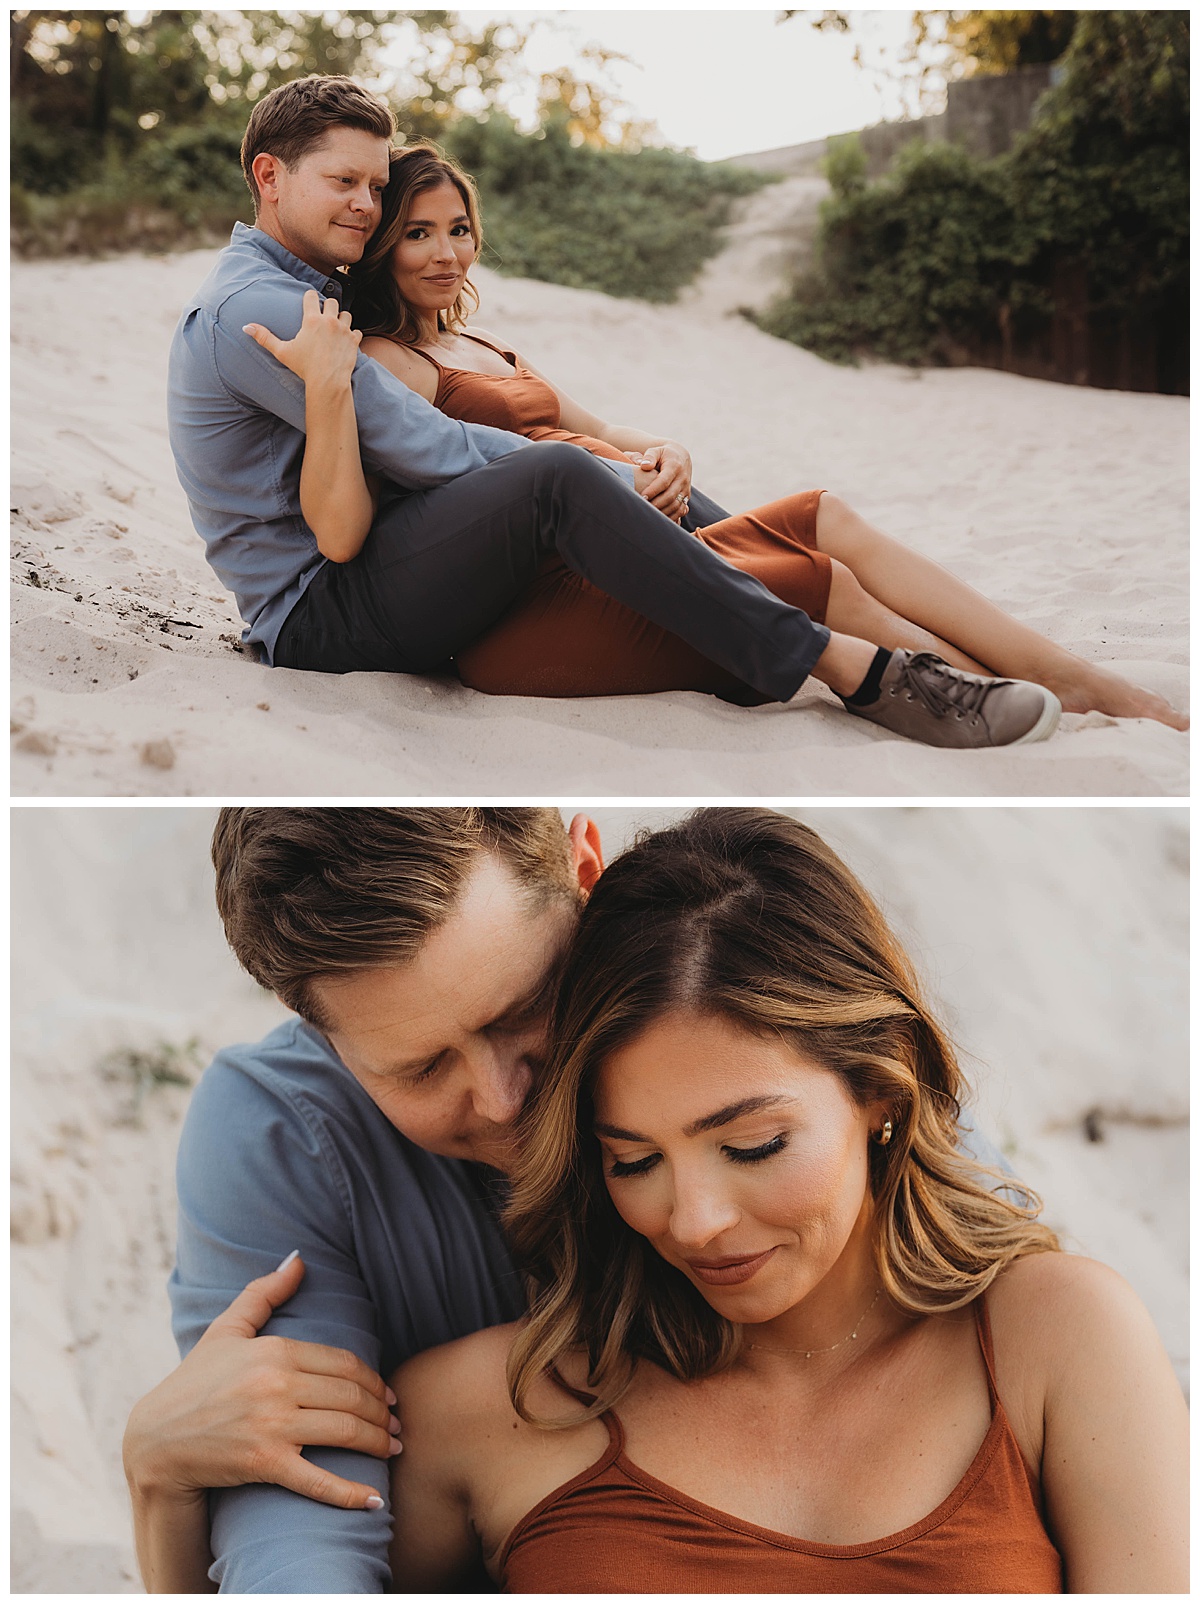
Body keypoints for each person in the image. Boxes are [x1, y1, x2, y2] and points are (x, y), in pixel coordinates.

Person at [126, 811, 1187, 1593]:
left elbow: (953, 1217)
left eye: (523, 1010)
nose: (504, 1099)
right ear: (318, 1027)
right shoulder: (459, 1392)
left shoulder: (1043, 1325)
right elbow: (293, 1550)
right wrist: (162, 1495)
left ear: (582, 867)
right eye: (625, 1158)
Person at [167, 72, 1067, 750]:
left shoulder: (303, 292)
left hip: (366, 570)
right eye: (344, 184)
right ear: (270, 177)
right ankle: (856, 671)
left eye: (375, 184)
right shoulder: (269, 308)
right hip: (320, 612)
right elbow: (431, 447)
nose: (366, 204)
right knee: (557, 473)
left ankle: (952, 655)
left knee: (608, 478)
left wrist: (631, 465)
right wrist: (605, 473)